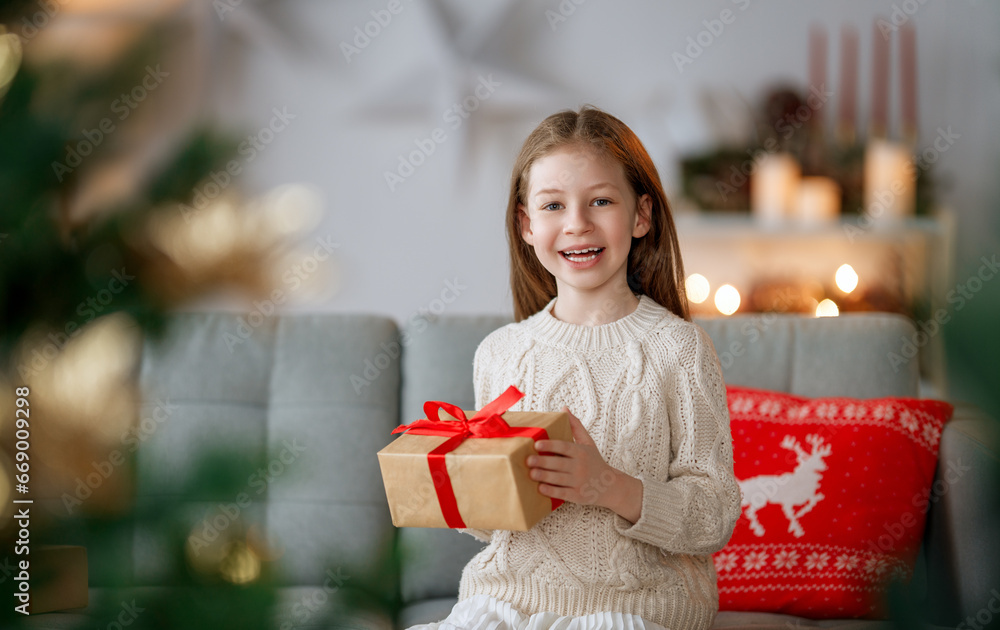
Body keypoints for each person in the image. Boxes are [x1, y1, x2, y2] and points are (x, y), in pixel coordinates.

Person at [409, 105, 741, 630]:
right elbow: (491, 525)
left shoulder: (679, 348)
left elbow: (714, 514)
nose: (577, 224)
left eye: (601, 201)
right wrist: (464, 486)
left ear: (641, 215)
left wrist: (606, 485)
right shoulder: (500, 352)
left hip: (630, 610)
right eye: (553, 205)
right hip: (502, 604)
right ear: (526, 224)